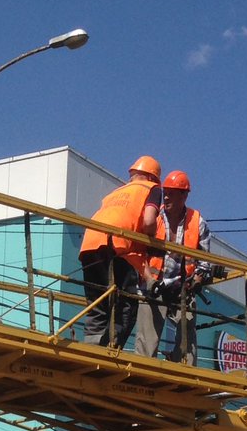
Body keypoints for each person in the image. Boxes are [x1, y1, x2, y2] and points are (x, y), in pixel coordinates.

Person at [78, 156, 163, 353]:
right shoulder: (152, 189)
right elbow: (149, 221)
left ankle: (91, 350)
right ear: (153, 177)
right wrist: (152, 240)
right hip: (115, 246)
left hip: (89, 245)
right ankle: (111, 350)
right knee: (126, 305)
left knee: (98, 305)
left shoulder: (116, 192)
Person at [149, 169, 213, 366]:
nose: (166, 196)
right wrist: (148, 280)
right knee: (149, 329)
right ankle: (146, 364)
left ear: (184, 195)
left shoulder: (197, 222)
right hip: (155, 282)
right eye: (165, 192)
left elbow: (204, 261)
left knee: (187, 328)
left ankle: (185, 365)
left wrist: (196, 281)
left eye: (172, 193)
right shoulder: (156, 217)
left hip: (182, 286)